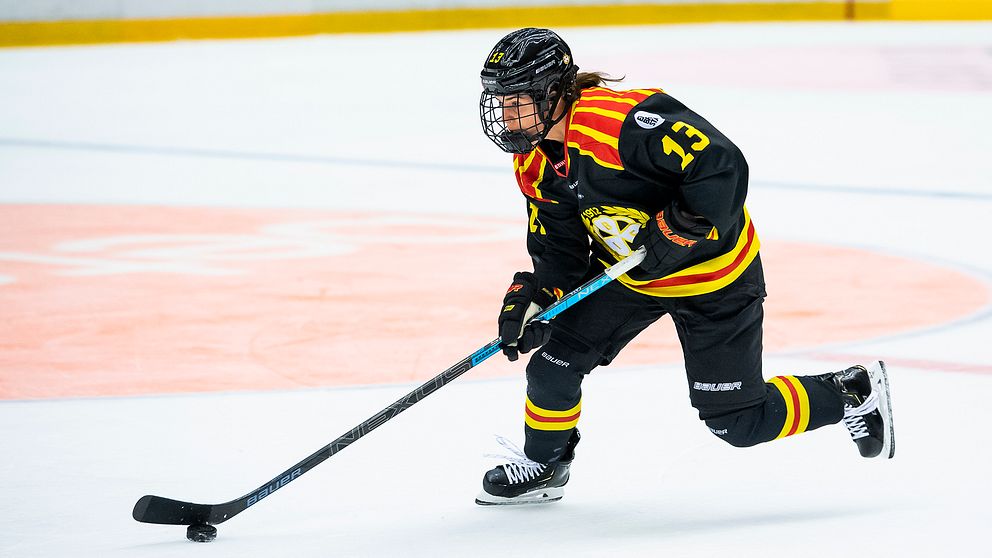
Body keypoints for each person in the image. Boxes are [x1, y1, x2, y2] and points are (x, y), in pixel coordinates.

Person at [474, 28, 895, 506]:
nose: (506, 117)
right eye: (499, 102)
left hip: (714, 278)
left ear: (553, 93)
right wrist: (537, 301)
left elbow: (721, 164)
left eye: (516, 101)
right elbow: (561, 253)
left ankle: (848, 392)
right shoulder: (533, 163)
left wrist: (681, 226)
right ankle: (546, 465)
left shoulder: (618, 123)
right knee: (553, 365)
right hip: (631, 276)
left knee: (738, 423)